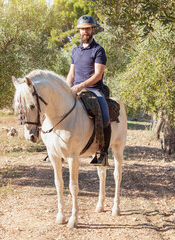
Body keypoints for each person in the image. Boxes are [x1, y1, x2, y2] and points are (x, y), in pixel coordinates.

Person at [66, 15, 111, 166]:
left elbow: (98, 75)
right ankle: (55, 149)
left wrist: (80, 86)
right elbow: (72, 74)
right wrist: (67, 88)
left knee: (104, 117)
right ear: (79, 31)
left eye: (87, 28)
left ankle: (103, 153)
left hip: (94, 90)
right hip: (75, 89)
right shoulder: (75, 51)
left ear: (92, 30)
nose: (85, 32)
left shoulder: (99, 50)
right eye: (82, 29)